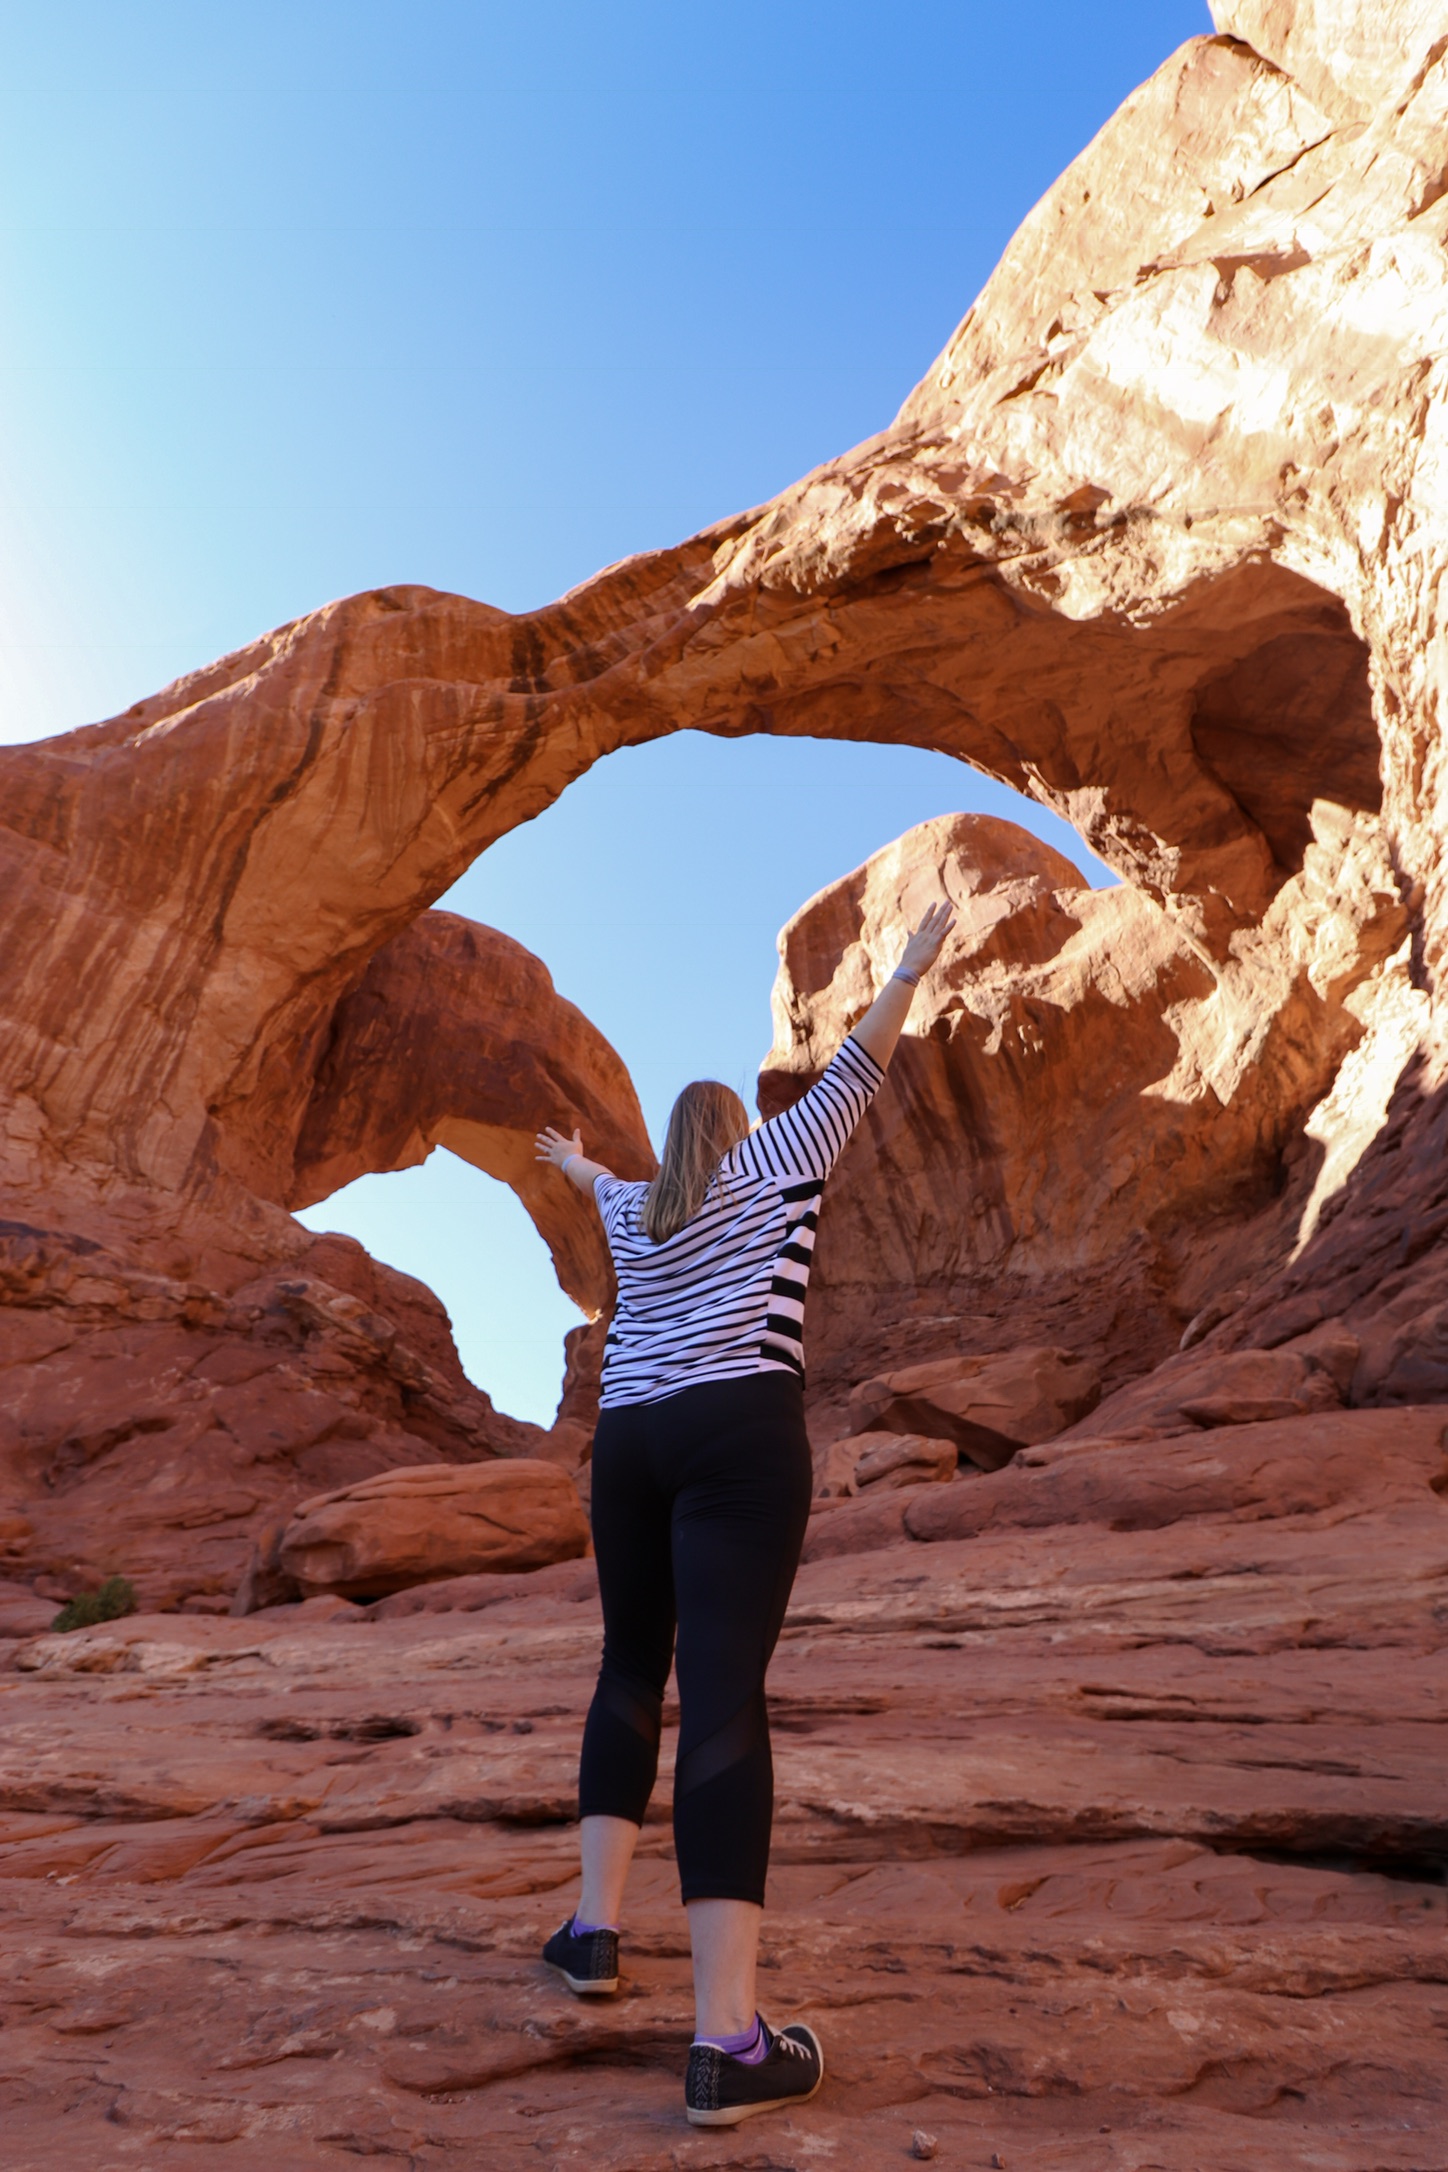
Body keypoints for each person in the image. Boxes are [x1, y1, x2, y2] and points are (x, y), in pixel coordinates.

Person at [533, 899, 956, 2128]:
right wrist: (910, 964)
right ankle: (727, 2041)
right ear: (739, 1132)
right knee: (720, 1691)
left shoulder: (635, 1214)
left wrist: (568, 1163)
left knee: (627, 1666)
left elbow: (597, 1180)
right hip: (736, 1433)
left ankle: (593, 1935)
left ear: (673, 1147)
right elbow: (859, 1063)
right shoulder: (780, 1157)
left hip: (629, 1444)